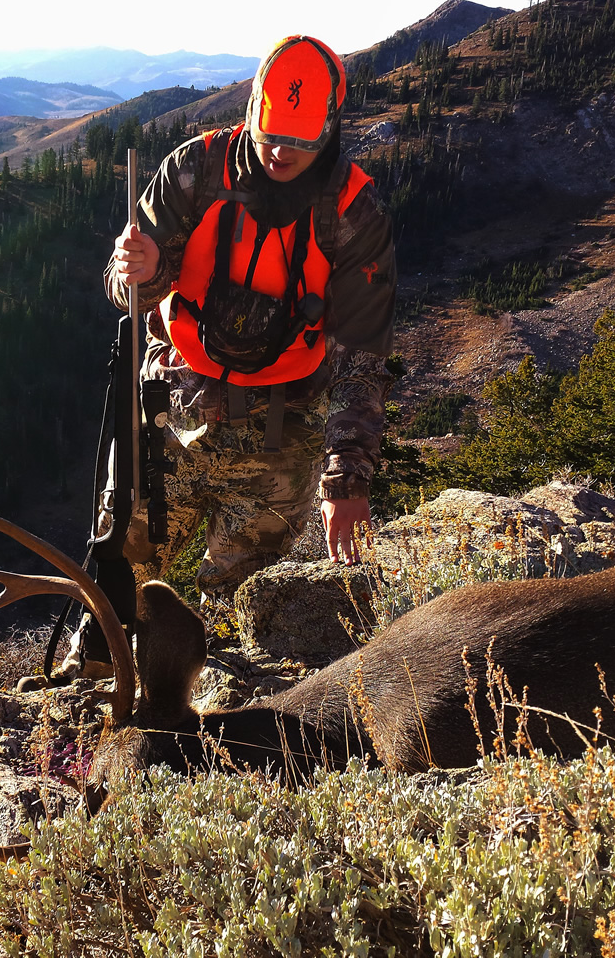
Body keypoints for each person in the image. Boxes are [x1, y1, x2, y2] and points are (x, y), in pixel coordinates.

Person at [65, 34, 396, 679]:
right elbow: (126, 288)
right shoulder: (196, 170)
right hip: (173, 414)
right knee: (117, 576)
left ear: (329, 130)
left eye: (299, 143)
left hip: (281, 434)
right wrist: (143, 271)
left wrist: (346, 478)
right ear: (252, 109)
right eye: (270, 133)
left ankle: (209, 741)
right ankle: (91, 703)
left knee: (239, 623)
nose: (279, 152)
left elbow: (363, 351)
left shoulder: (353, 212)